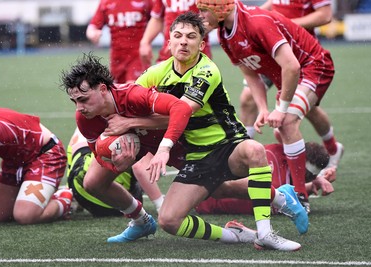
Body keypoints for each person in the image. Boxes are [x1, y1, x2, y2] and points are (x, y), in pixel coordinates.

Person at [107, 12, 305, 251]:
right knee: (169, 220)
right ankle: (238, 234)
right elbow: (129, 98)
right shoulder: (157, 72)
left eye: (191, 37)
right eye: (177, 36)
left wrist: (130, 125)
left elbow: (183, 111)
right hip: (198, 156)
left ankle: (266, 233)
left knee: (255, 150)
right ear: (168, 43)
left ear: (201, 45)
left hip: (229, 145)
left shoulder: (206, 70)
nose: (183, 41)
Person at [196, 0, 342, 212]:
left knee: (287, 120)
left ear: (219, 8)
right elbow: (251, 75)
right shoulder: (224, 35)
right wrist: (263, 108)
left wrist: (281, 109)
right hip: (286, 73)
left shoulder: (257, 22)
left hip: (312, 65)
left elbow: (292, 65)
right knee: (282, 128)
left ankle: (300, 196)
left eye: (203, 10)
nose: (200, 16)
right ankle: (303, 177)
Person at [59, 52, 193, 243]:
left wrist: (131, 124)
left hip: (172, 141)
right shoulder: (84, 119)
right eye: (75, 101)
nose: (79, 107)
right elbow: (98, 155)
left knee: (221, 189)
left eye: (84, 99)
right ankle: (141, 221)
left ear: (103, 89)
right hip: (140, 145)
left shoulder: (133, 95)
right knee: (92, 182)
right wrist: (118, 165)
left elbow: (182, 110)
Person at [239, 0, 343, 176]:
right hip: (269, 49)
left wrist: (282, 23)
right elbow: (274, 5)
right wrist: (250, 17)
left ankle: (332, 148)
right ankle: (244, 155)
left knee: (303, 111)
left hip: (299, 52)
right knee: (247, 98)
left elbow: (325, 15)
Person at [0, 104, 72, 224]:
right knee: (0, 215)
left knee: (25, 216)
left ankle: (64, 198)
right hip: (15, 158)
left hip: (44, 153)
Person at [196, 142, 336, 215]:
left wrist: (312, 184)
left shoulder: (284, 159)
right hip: (203, 201)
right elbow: (278, 199)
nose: (307, 179)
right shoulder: (272, 163)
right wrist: (311, 186)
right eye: (308, 175)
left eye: (313, 176)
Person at [66, 127, 164, 216]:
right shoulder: (131, 123)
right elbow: (140, 168)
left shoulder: (86, 123)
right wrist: (160, 205)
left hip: (79, 191)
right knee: (150, 160)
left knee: (81, 145)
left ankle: (67, 197)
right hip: (119, 201)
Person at [86, 0, 152, 83]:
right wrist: (93, 33)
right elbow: (93, 26)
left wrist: (147, 42)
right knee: (118, 91)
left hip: (137, 55)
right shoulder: (106, 3)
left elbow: (158, 19)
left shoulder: (145, 2)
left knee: (133, 89)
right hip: (117, 58)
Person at [139, 0, 212, 65]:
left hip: (196, 55)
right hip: (168, 53)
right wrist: (145, 42)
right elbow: (157, 18)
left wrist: (181, 41)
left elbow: (212, 20)